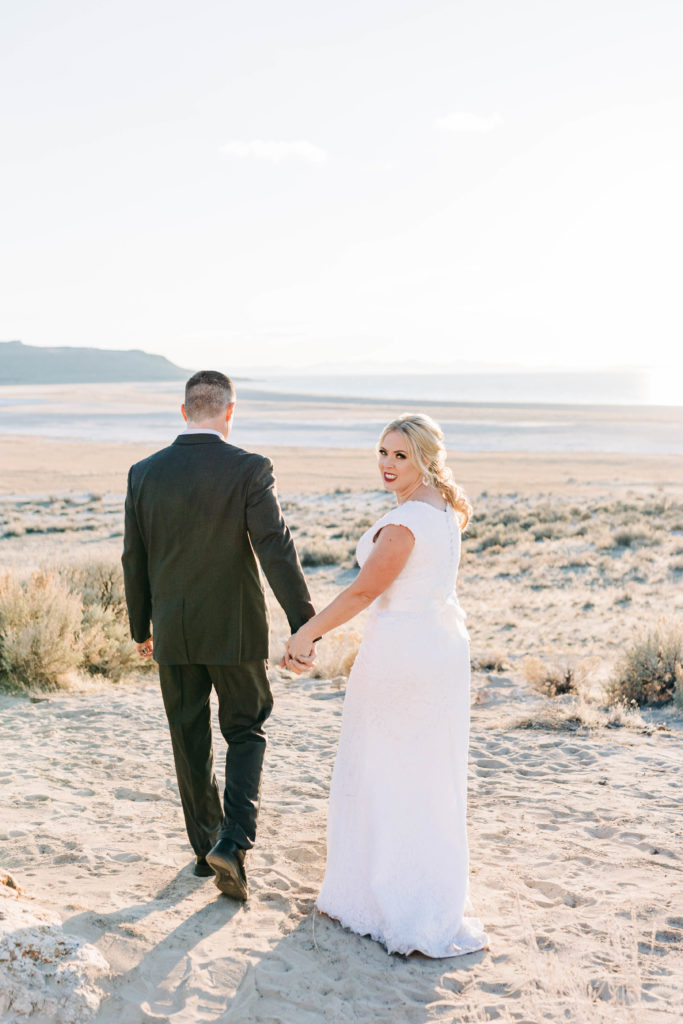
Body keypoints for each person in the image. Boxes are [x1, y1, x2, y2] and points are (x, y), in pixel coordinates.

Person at [285, 413, 488, 958]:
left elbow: (360, 594)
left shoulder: (404, 525)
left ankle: (397, 903)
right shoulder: (445, 511)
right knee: (422, 771)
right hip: (435, 650)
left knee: (387, 769)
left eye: (401, 455)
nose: (388, 464)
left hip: (403, 656)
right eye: (383, 452)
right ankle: (403, 888)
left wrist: (304, 633)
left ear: (425, 458)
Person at [122, 370, 315, 901]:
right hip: (235, 631)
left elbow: (133, 559)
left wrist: (142, 627)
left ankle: (204, 848)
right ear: (230, 412)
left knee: (189, 739)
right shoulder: (250, 469)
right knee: (246, 731)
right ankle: (232, 842)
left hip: (175, 635)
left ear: (184, 411)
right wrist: (304, 622)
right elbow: (276, 547)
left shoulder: (144, 473)